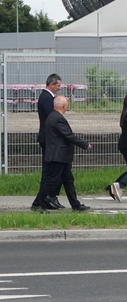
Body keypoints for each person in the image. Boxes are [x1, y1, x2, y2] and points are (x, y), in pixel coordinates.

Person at [32, 96, 92, 212]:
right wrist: (84, 144)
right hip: (58, 156)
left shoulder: (52, 116)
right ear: (64, 106)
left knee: (68, 181)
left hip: (61, 156)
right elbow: (68, 136)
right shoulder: (57, 118)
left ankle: (76, 205)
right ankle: (36, 204)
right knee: (50, 182)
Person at [31, 73, 64, 210]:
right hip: (49, 139)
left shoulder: (47, 97)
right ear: (51, 84)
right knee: (49, 172)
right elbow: (52, 119)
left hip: (50, 139)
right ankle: (42, 200)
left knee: (58, 172)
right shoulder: (46, 98)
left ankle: (49, 197)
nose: (59, 88)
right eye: (58, 85)